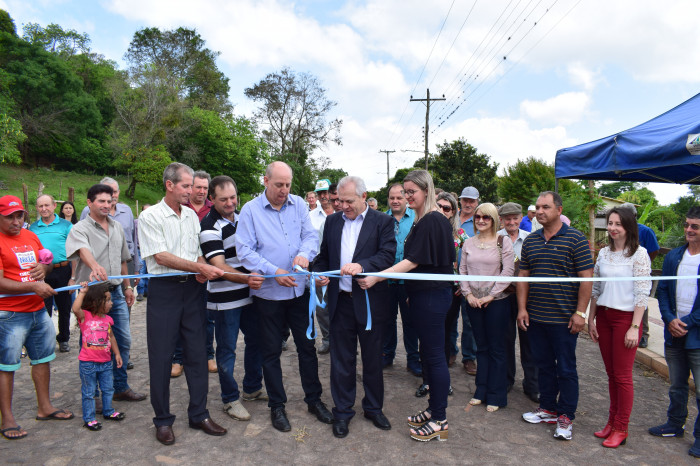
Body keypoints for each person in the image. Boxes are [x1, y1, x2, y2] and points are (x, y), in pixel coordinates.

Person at [236, 161, 333, 433]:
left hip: (299, 292)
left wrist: (305, 253)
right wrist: (272, 271)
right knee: (271, 351)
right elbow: (244, 251)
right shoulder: (250, 210)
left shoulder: (300, 204)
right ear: (265, 181)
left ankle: (314, 400)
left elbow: (310, 237)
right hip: (269, 294)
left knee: (307, 347)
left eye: (288, 184)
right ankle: (277, 406)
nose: (284, 190)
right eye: (279, 184)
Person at [358, 170, 454, 442]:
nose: (407, 196)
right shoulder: (426, 219)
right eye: (406, 191)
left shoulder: (432, 220)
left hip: (433, 297)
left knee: (434, 357)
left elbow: (411, 261)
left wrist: (377, 276)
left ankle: (440, 419)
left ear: (426, 190)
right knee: (428, 354)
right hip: (424, 295)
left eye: (412, 192)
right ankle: (434, 409)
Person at [138, 162, 227, 445]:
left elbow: (197, 252)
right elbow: (161, 257)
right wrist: (198, 267)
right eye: (187, 185)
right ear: (169, 185)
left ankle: (199, 414)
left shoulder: (191, 216)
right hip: (164, 291)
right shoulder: (150, 216)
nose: (192, 191)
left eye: (193, 185)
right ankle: (163, 420)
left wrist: (201, 269)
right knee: (162, 357)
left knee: (197, 354)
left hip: (192, 292)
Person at [313, 176, 396, 438]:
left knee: (373, 359)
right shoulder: (332, 221)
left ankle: (373, 408)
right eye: (339, 200)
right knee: (342, 361)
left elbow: (387, 255)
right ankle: (343, 412)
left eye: (348, 201)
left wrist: (362, 266)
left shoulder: (383, 221)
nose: (343, 206)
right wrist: (319, 272)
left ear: (364, 196)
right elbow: (323, 255)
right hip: (341, 303)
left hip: (371, 303)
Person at [518, 191, 594, 441]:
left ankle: (566, 416)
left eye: (546, 207)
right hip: (537, 317)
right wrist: (522, 308)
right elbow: (523, 278)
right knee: (543, 366)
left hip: (564, 320)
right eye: (538, 207)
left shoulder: (576, 239)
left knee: (566, 368)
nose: (540, 211)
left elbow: (587, 279)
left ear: (559, 210)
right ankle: (548, 408)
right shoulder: (531, 241)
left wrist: (580, 313)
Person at [0, 195, 74, 441]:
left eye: (19, 215)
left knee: (42, 360)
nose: (15, 220)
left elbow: (46, 262)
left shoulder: (31, 235)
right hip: (9, 313)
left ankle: (45, 407)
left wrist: (46, 269)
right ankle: (8, 418)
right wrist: (33, 286)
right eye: (9, 216)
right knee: (7, 367)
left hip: (37, 310)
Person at [66, 184, 146, 406]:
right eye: (100, 201)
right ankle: (96, 395)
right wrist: (94, 267)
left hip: (116, 294)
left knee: (123, 341)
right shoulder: (80, 228)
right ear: (89, 203)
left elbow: (123, 260)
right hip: (92, 296)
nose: (106, 205)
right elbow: (83, 251)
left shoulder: (117, 226)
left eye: (109, 201)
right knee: (93, 346)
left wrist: (128, 287)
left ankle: (120, 387)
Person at [200, 175, 267, 422]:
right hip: (224, 299)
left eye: (233, 197)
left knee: (256, 341)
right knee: (227, 350)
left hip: (250, 295)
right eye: (223, 199)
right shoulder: (209, 227)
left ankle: (252, 388)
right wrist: (248, 279)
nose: (230, 203)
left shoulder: (242, 218)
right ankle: (230, 399)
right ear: (211, 199)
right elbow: (218, 266)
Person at [588, 206, 651, 448]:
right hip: (604, 316)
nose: (612, 228)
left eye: (618, 224)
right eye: (610, 223)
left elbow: (642, 293)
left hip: (626, 319)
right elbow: (596, 288)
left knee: (623, 377)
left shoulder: (639, 254)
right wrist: (591, 318)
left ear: (628, 227)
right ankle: (611, 422)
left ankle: (621, 427)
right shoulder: (603, 253)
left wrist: (635, 326)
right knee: (611, 375)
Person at [649, 207, 700, 458]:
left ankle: (699, 438)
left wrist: (687, 322)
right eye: (687, 225)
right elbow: (663, 291)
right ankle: (674, 424)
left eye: (695, 226)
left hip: (697, 336)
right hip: (673, 332)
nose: (689, 230)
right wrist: (669, 319)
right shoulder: (675, 256)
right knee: (677, 385)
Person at [460, 203, 514, 412]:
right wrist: (469, 295)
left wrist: (491, 296)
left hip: (497, 302)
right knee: (480, 347)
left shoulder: (504, 242)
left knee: (497, 349)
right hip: (473, 302)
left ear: (494, 220)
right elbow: (462, 270)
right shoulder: (468, 243)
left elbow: (508, 272)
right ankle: (480, 390)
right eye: (477, 217)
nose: (481, 220)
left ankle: (496, 394)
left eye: (486, 217)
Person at [415, 192, 464, 398]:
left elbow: (466, 264)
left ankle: (442, 382)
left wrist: (463, 283)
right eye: (439, 206)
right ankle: (427, 380)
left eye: (447, 208)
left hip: (451, 290)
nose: (442, 211)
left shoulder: (461, 236)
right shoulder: (425, 227)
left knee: (445, 335)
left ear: (453, 212)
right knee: (426, 337)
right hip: (427, 289)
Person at [173, 170, 217, 376]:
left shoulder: (214, 208)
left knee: (208, 317)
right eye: (196, 186)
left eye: (204, 188)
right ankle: (178, 359)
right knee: (179, 316)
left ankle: (209, 355)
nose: (200, 191)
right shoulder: (180, 207)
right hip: (182, 269)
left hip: (208, 269)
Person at [497, 202, 539, 402]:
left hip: (526, 297)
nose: (511, 222)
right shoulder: (496, 238)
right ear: (501, 219)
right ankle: (506, 380)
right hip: (503, 295)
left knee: (529, 341)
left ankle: (532, 385)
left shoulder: (531, 239)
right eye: (507, 218)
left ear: (521, 217)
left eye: (515, 218)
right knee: (505, 340)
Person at [73, 281, 125, 431]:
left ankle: (108, 411)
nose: (111, 303)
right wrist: (82, 292)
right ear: (96, 302)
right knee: (89, 392)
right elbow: (75, 308)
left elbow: (112, 337)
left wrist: (117, 353)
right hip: (88, 363)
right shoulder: (85, 317)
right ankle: (89, 419)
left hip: (106, 362)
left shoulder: (108, 320)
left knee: (108, 389)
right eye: (108, 300)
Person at [382, 184, 420, 376]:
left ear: (406, 198)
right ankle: (387, 355)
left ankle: (413, 359)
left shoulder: (417, 219)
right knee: (387, 320)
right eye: (392, 198)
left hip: (409, 280)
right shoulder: (381, 219)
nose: (395, 201)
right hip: (386, 280)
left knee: (411, 322)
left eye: (399, 197)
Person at [29, 194, 74, 353]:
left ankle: (63, 338)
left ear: (54, 206)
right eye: (40, 206)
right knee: (43, 307)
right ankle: (45, 339)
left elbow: (74, 252)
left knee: (64, 307)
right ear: (37, 208)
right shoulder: (33, 228)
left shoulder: (65, 225)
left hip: (63, 270)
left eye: (47, 205)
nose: (44, 209)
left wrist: (73, 277)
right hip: (42, 272)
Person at [619, 202, 660, 348]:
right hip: (622, 273)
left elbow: (654, 250)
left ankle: (643, 334)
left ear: (634, 216)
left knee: (640, 301)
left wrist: (643, 264)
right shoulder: (619, 230)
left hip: (638, 273)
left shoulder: (645, 231)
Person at [450, 186, 479, 375]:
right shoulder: (451, 217)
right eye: (465, 200)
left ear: (477, 202)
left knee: (470, 321)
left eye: (471, 201)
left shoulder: (480, 221)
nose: (468, 203)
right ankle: (451, 351)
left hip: (471, 279)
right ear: (460, 200)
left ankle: (469, 358)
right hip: (450, 278)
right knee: (450, 318)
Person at [309, 178, 333, 355]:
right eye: (320, 193)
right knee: (322, 305)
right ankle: (327, 339)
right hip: (320, 265)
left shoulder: (342, 211)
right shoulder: (310, 216)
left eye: (326, 192)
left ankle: (343, 339)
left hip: (341, 266)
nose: (323, 196)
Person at [135, 204, 151, 303]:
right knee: (140, 270)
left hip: (150, 251)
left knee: (149, 271)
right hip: (139, 249)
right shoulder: (136, 223)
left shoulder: (154, 222)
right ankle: (140, 292)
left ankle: (147, 291)